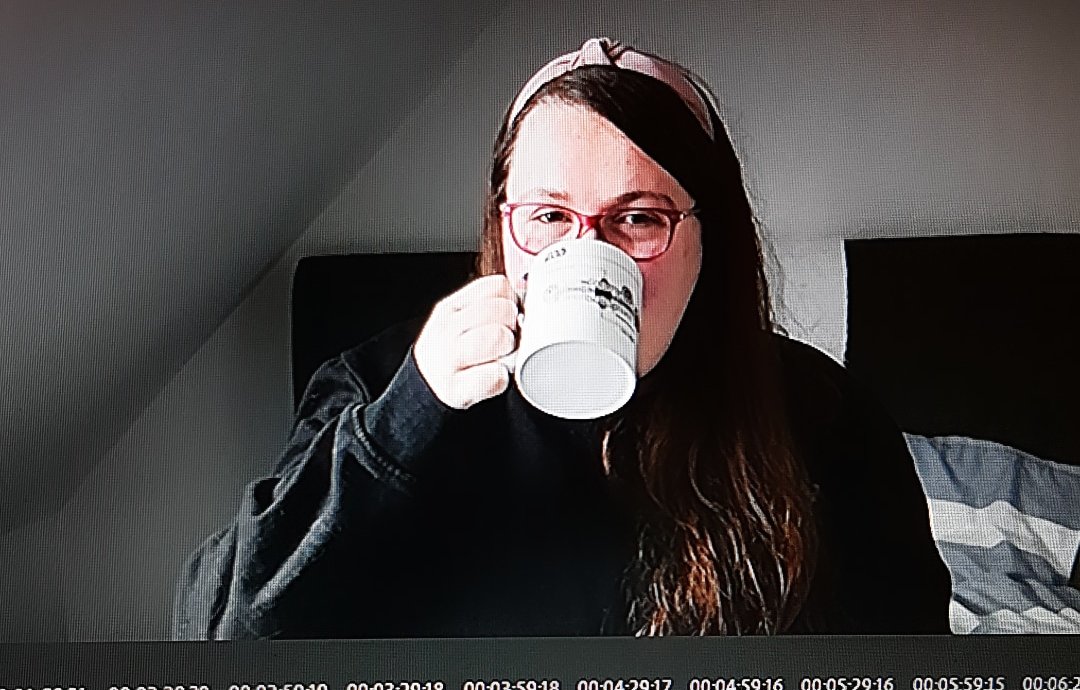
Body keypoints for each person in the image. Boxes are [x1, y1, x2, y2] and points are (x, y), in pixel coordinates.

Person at [172, 37, 951, 639]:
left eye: (638, 218)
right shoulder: (379, 389)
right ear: (502, 226)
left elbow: (908, 683)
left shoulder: (820, 414)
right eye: (548, 216)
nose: (589, 252)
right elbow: (227, 635)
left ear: (709, 240)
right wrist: (407, 418)